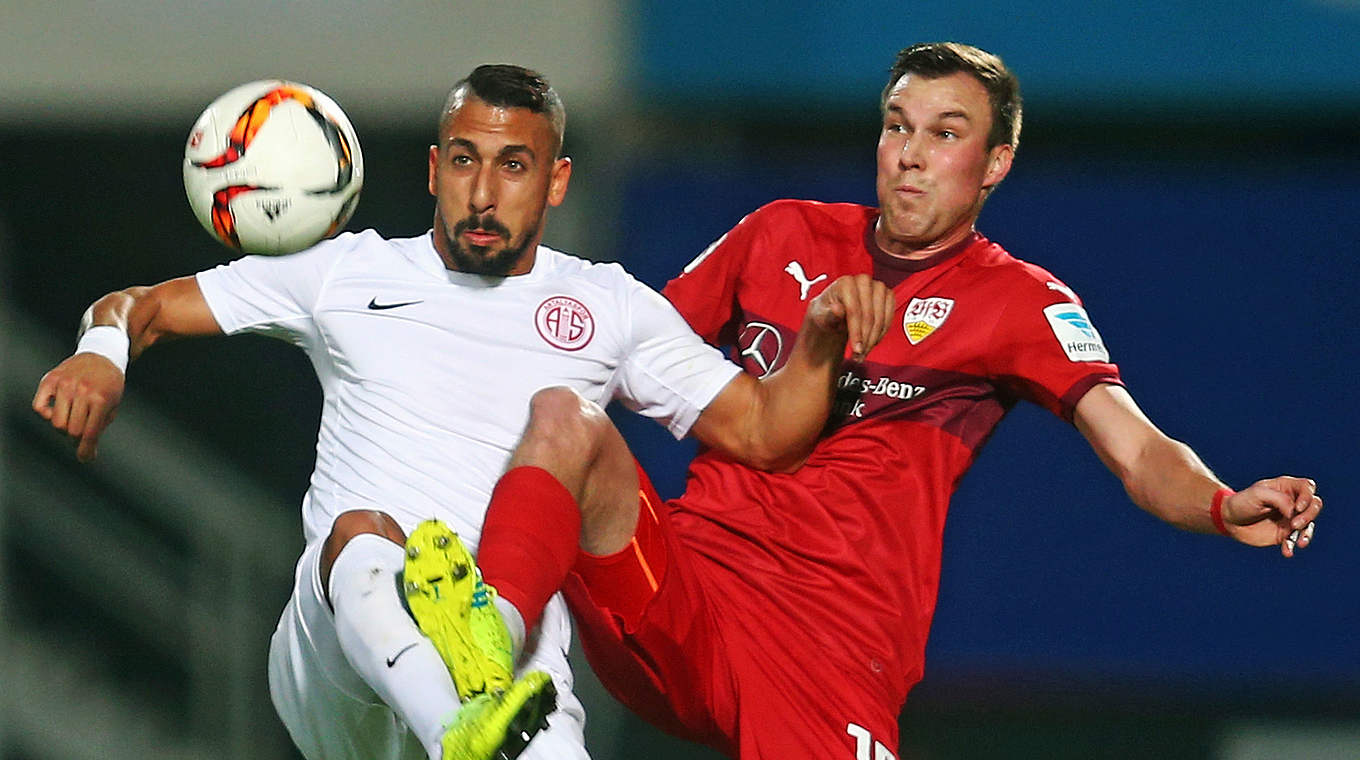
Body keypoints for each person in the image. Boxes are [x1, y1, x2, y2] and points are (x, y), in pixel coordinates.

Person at [463, 43, 1326, 759]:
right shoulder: (780, 233)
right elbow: (610, 352)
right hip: (684, 588)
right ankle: (477, 659)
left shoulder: (1020, 300)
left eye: (945, 134)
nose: (910, 153)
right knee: (562, 418)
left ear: (995, 164)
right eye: (897, 126)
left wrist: (1219, 503)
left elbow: (1137, 450)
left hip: (829, 646)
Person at [31, 64, 895, 760]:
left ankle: (479, 697)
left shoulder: (610, 307)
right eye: (466, 161)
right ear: (435, 167)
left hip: (511, 663)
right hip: (342, 655)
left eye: (513, 165)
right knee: (361, 536)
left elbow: (762, 432)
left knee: (563, 447)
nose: (485, 192)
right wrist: (99, 356)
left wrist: (819, 341)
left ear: (555, 181)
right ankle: (460, 735)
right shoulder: (345, 272)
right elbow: (139, 306)